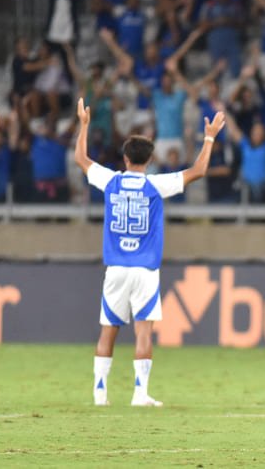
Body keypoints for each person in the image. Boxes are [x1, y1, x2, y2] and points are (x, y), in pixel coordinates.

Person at [75, 98, 225, 407]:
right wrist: (208, 137)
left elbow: (81, 158)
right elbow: (199, 170)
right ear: (149, 160)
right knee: (144, 331)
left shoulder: (111, 181)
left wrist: (84, 124)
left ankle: (99, 394)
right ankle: (140, 394)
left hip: (115, 267)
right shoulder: (157, 185)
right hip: (145, 270)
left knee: (108, 331)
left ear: (125, 158)